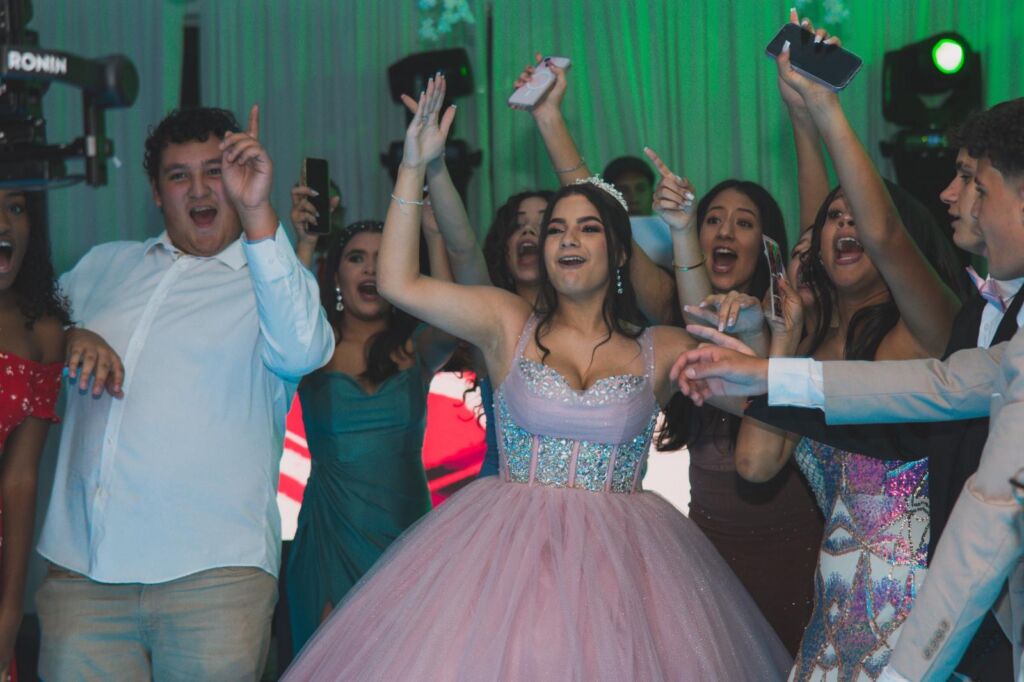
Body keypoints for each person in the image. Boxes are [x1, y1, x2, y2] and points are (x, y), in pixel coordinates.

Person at [282, 76, 791, 680]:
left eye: (588, 228)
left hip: (625, 574)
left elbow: (759, 399)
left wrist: (747, 315)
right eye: (556, 228)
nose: (567, 238)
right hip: (504, 561)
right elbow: (398, 283)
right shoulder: (508, 323)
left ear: (619, 253)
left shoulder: (661, 348)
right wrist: (414, 166)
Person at [674, 95, 1024, 682]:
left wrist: (820, 109)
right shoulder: (969, 329)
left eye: (974, 184)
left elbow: (886, 239)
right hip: (847, 612)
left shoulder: (924, 326)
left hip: (928, 610)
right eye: (831, 220)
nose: (952, 196)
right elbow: (944, 388)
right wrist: (768, 359)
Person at [34, 106, 335, 680]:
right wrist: (70, 333)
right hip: (85, 578)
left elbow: (304, 350)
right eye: (179, 176)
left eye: (214, 172)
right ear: (156, 192)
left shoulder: (271, 281)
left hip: (215, 580)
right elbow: (28, 334)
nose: (199, 190)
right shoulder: (104, 265)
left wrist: (258, 211)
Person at [284, 204, 456, 650]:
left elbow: (453, 319)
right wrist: (305, 244)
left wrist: (434, 236)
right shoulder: (313, 346)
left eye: (384, 258)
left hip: (405, 533)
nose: (370, 268)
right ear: (336, 276)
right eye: (356, 257)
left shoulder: (416, 347)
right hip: (331, 534)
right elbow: (284, 322)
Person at [0, 189, 71, 682]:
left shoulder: (41, 332)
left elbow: (20, 480)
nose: (4, 223)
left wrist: (9, 612)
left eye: (16, 207)